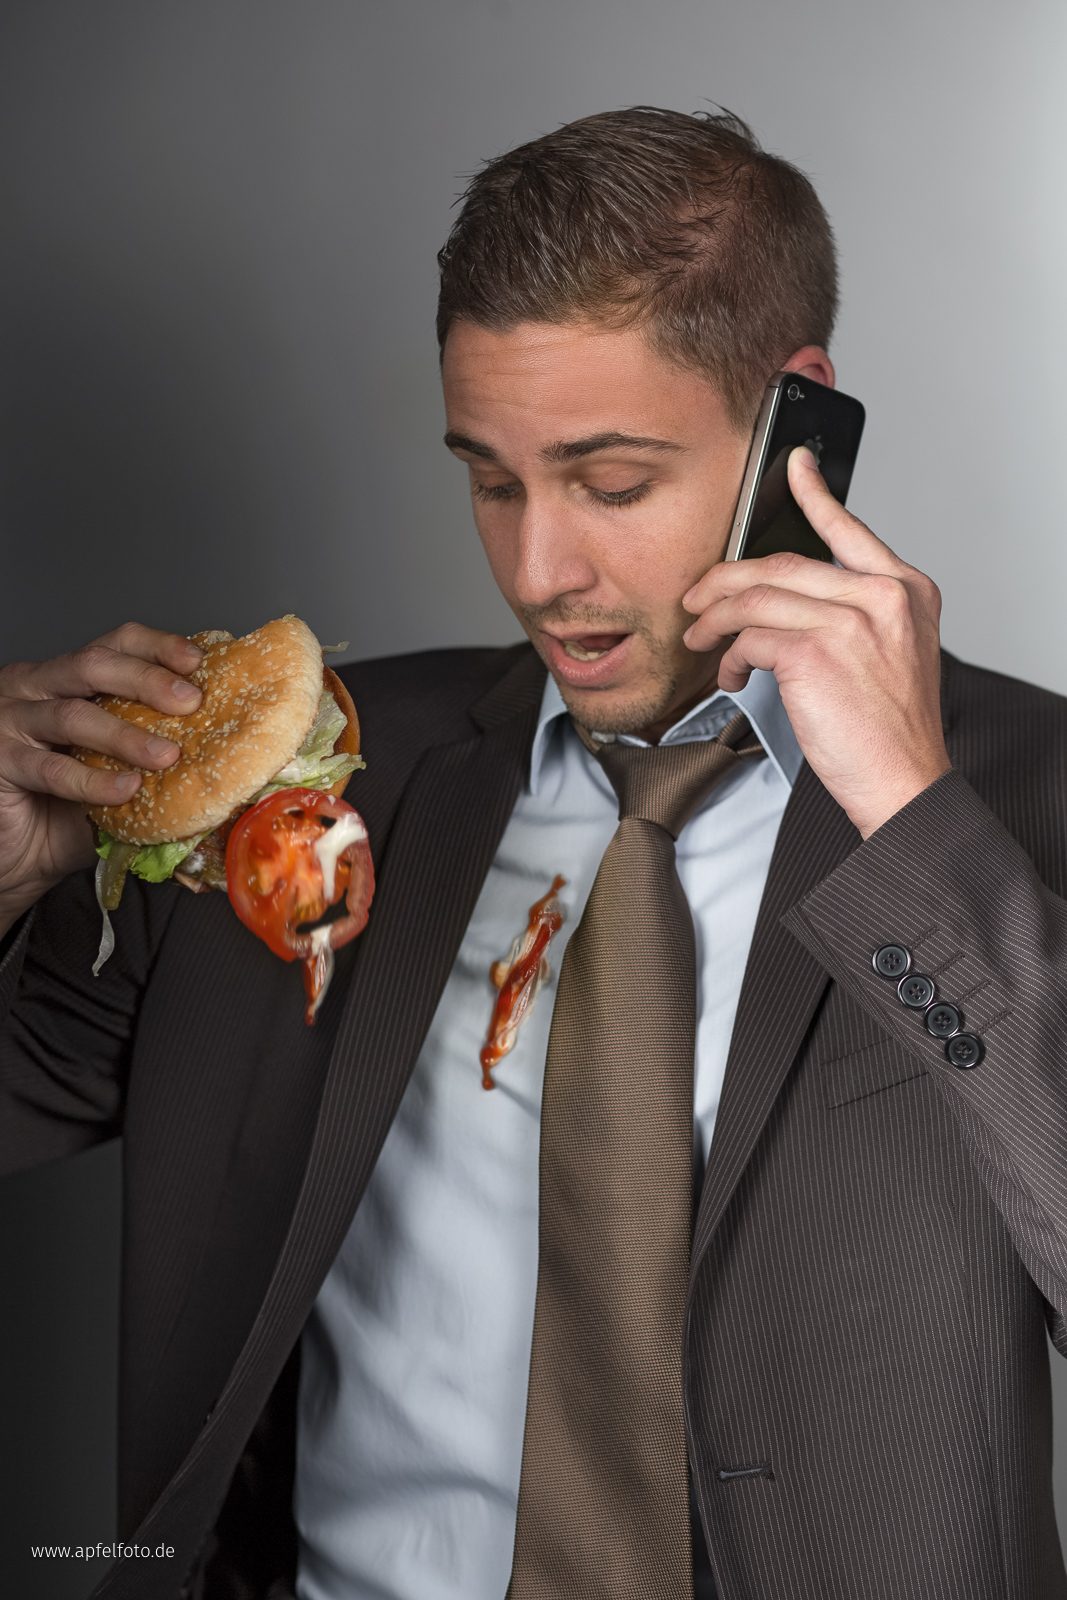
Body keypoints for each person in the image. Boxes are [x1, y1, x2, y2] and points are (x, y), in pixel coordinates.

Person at [1, 105, 1066, 1600]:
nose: (536, 569)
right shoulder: (316, 771)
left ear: (794, 424)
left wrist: (917, 828)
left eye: (611, 482)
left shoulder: (1028, 802)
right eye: (492, 480)